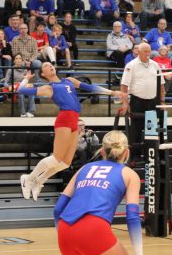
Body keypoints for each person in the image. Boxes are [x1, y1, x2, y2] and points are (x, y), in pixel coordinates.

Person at [54, 130, 144, 255]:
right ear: (127, 152)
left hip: (66, 230)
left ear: (102, 151)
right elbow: (132, 218)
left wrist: (64, 248)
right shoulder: (129, 174)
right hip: (93, 228)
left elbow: (58, 210)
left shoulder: (84, 168)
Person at [19, 63, 121, 199]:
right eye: (46, 66)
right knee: (57, 158)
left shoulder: (69, 80)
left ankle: (40, 181)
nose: (50, 66)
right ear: (43, 74)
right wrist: (26, 79)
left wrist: (113, 92)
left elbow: (90, 88)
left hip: (75, 120)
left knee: (65, 163)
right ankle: (29, 178)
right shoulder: (49, 88)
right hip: (64, 118)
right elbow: (21, 90)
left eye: (51, 64)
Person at [120, 43, 165, 162]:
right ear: (138, 52)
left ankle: (149, 155)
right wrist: (125, 103)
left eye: (149, 51)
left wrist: (162, 101)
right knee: (136, 129)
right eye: (145, 51)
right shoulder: (131, 65)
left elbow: (161, 85)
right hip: (137, 101)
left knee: (151, 129)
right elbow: (124, 86)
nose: (148, 53)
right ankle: (134, 156)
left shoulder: (155, 65)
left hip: (152, 101)